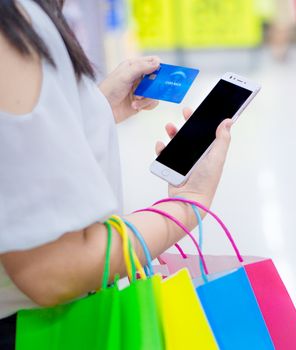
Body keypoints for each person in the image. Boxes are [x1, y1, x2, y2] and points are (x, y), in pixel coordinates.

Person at [0, 0, 233, 347]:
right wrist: (186, 206)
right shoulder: (16, 25)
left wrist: (95, 108)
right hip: (30, 331)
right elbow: (52, 270)